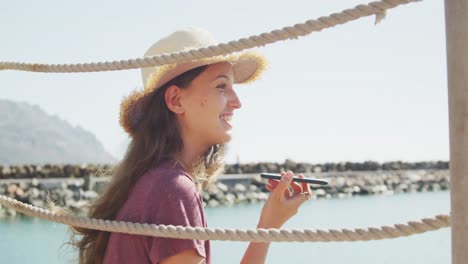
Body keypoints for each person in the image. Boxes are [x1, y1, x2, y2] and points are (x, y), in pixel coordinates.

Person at [71, 27, 312, 264]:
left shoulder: (151, 181)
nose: (237, 102)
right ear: (176, 100)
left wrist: (268, 225)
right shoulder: (173, 190)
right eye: (221, 86)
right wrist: (267, 229)